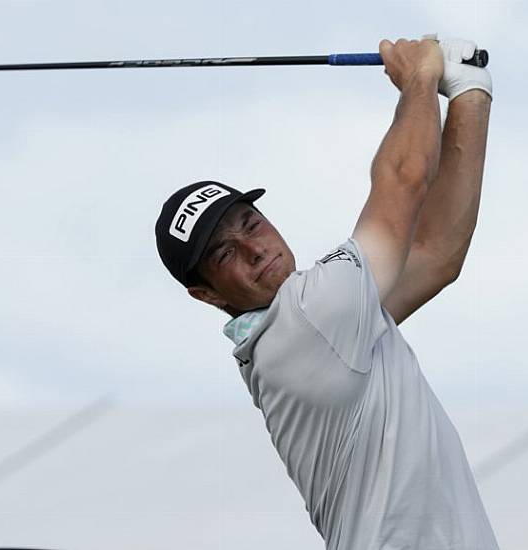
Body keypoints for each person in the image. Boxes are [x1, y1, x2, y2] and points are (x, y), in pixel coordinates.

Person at [154, 35, 496, 550]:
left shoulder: (326, 324)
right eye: (224, 254)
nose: (254, 248)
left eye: (250, 222)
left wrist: (470, 90)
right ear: (206, 294)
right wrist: (419, 79)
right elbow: (402, 180)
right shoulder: (308, 320)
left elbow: (437, 254)